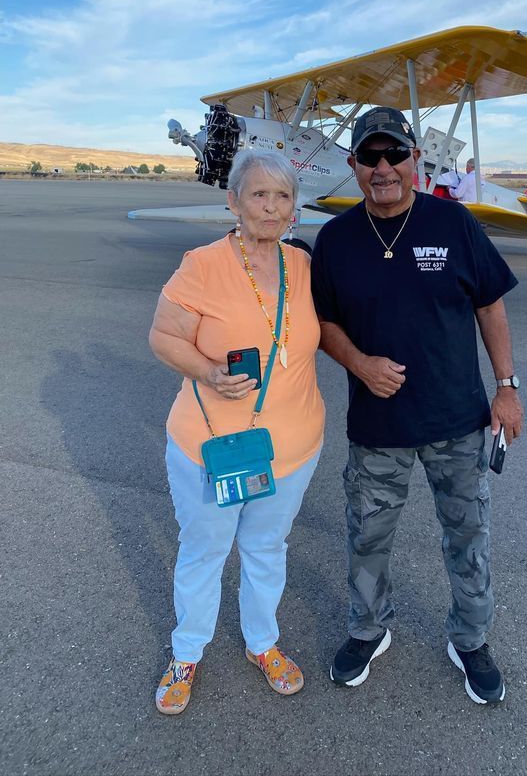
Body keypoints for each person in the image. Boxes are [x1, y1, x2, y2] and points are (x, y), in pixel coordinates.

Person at [310, 107, 523, 705]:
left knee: (468, 536)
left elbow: (491, 307)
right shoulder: (336, 239)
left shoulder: (454, 224)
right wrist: (360, 365)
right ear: (353, 165)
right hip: (377, 428)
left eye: (395, 155)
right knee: (368, 537)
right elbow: (323, 322)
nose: (384, 169)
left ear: (415, 161)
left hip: (457, 423)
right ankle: (367, 630)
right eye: (370, 157)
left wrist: (507, 387)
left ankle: (471, 639)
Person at [149, 151, 325, 714]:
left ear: (294, 208)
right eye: (258, 194)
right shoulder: (202, 264)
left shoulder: (302, 265)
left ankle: (262, 644)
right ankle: (187, 652)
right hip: (214, 446)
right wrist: (206, 371)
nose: (271, 207)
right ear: (234, 201)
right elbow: (163, 336)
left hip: (292, 448)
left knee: (267, 548)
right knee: (205, 550)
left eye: (282, 197)